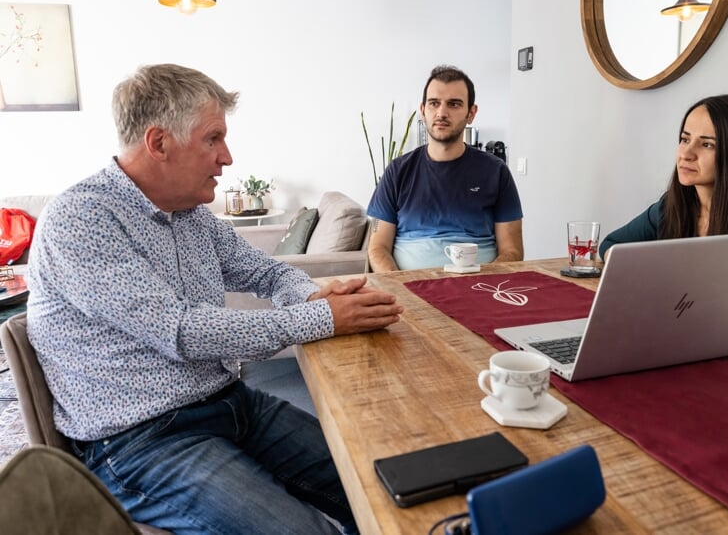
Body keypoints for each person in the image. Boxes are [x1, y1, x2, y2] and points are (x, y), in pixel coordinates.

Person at [26, 63, 404, 534]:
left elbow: (265, 272)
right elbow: (183, 331)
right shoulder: (80, 219)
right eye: (213, 138)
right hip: (140, 440)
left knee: (394, 483)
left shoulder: (190, 213)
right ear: (159, 143)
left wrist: (313, 293)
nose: (227, 157)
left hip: (228, 401)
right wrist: (322, 318)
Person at [599, 94, 728, 315]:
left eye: (707, 144)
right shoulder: (672, 205)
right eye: (685, 139)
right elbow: (612, 245)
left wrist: (663, 274)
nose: (686, 154)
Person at [366, 65, 524, 272]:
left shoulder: (496, 172)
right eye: (434, 103)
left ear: (471, 113)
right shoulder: (397, 172)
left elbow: (512, 251)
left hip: (478, 287)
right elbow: (378, 247)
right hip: (407, 288)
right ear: (423, 111)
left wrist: (483, 283)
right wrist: (399, 286)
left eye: (454, 104)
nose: (442, 112)